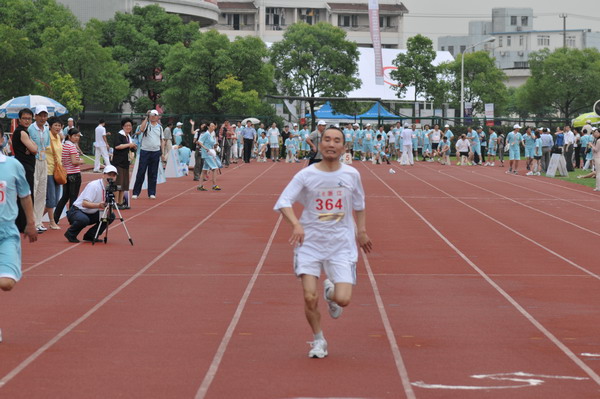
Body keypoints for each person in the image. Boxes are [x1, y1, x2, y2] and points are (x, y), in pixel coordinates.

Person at [273, 126, 372, 359]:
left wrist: (363, 231)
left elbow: (359, 204)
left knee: (343, 299)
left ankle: (330, 293)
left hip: (341, 244)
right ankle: (319, 340)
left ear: (344, 147)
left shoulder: (351, 175)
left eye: (337, 140)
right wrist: (296, 224)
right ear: (319, 144)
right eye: (327, 139)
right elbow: (283, 201)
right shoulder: (307, 175)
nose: (331, 144)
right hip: (310, 242)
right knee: (309, 296)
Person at [0, 127, 38, 342]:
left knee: (6, 283)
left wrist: (31, 223)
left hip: (6, 232)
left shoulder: (13, 165)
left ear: (2, 139)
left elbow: (25, 195)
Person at [64, 166, 118, 243]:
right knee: (83, 220)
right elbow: (84, 203)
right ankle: (71, 233)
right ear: (103, 175)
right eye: (109, 174)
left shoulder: (110, 188)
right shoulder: (94, 186)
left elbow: (109, 206)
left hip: (92, 212)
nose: (111, 177)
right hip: (77, 211)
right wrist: (99, 205)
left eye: (114, 175)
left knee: (110, 216)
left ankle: (91, 235)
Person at [11, 108, 37, 233]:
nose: (27, 121)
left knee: (23, 195)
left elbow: (33, 148)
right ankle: (23, 224)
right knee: (25, 195)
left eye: (29, 119)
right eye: (25, 118)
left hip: (25, 167)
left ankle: (22, 223)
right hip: (24, 168)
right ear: (19, 119)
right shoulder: (21, 132)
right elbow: (35, 149)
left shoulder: (25, 132)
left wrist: (31, 147)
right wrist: (31, 148)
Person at [132, 110, 165, 200]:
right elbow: (141, 129)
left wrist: (162, 153)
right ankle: (136, 192)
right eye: (152, 115)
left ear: (158, 116)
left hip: (155, 152)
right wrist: (147, 117)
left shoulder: (160, 127)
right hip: (145, 151)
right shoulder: (146, 124)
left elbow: (162, 140)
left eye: (155, 115)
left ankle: (151, 192)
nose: (153, 117)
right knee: (141, 172)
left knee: (153, 173)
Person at [54, 128, 85, 223]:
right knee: (73, 198)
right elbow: (74, 162)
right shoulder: (71, 147)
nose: (77, 138)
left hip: (67, 174)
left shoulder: (64, 145)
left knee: (64, 197)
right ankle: (72, 219)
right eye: (75, 136)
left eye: (78, 136)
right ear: (69, 136)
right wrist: (81, 161)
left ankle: (55, 218)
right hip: (74, 175)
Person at [28, 106, 50, 232]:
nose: (43, 118)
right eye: (40, 115)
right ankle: (31, 222)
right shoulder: (31, 129)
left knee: (42, 191)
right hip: (34, 161)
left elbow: (46, 145)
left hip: (43, 160)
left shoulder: (46, 130)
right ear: (35, 116)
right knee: (34, 190)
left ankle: (39, 221)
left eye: (45, 115)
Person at [44, 116, 63, 230]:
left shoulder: (58, 137)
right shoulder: (47, 136)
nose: (57, 127)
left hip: (57, 171)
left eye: (59, 125)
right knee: (51, 198)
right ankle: (52, 222)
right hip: (48, 170)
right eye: (55, 125)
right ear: (50, 126)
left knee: (55, 200)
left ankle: (34, 219)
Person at [112, 118, 137, 208]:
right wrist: (129, 145)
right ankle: (115, 202)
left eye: (130, 126)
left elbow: (130, 148)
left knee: (124, 184)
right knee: (118, 183)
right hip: (118, 162)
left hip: (125, 163)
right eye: (126, 125)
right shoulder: (119, 135)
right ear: (123, 126)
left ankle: (121, 202)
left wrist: (133, 146)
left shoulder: (128, 137)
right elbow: (117, 146)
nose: (128, 127)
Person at [197, 123, 222, 191]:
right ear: (208, 127)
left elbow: (212, 144)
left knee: (204, 170)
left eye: (214, 126)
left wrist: (216, 145)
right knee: (214, 168)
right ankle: (214, 185)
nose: (213, 127)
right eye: (212, 126)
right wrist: (205, 148)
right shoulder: (206, 134)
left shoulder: (211, 134)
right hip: (207, 154)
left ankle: (200, 185)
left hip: (210, 153)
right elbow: (199, 142)